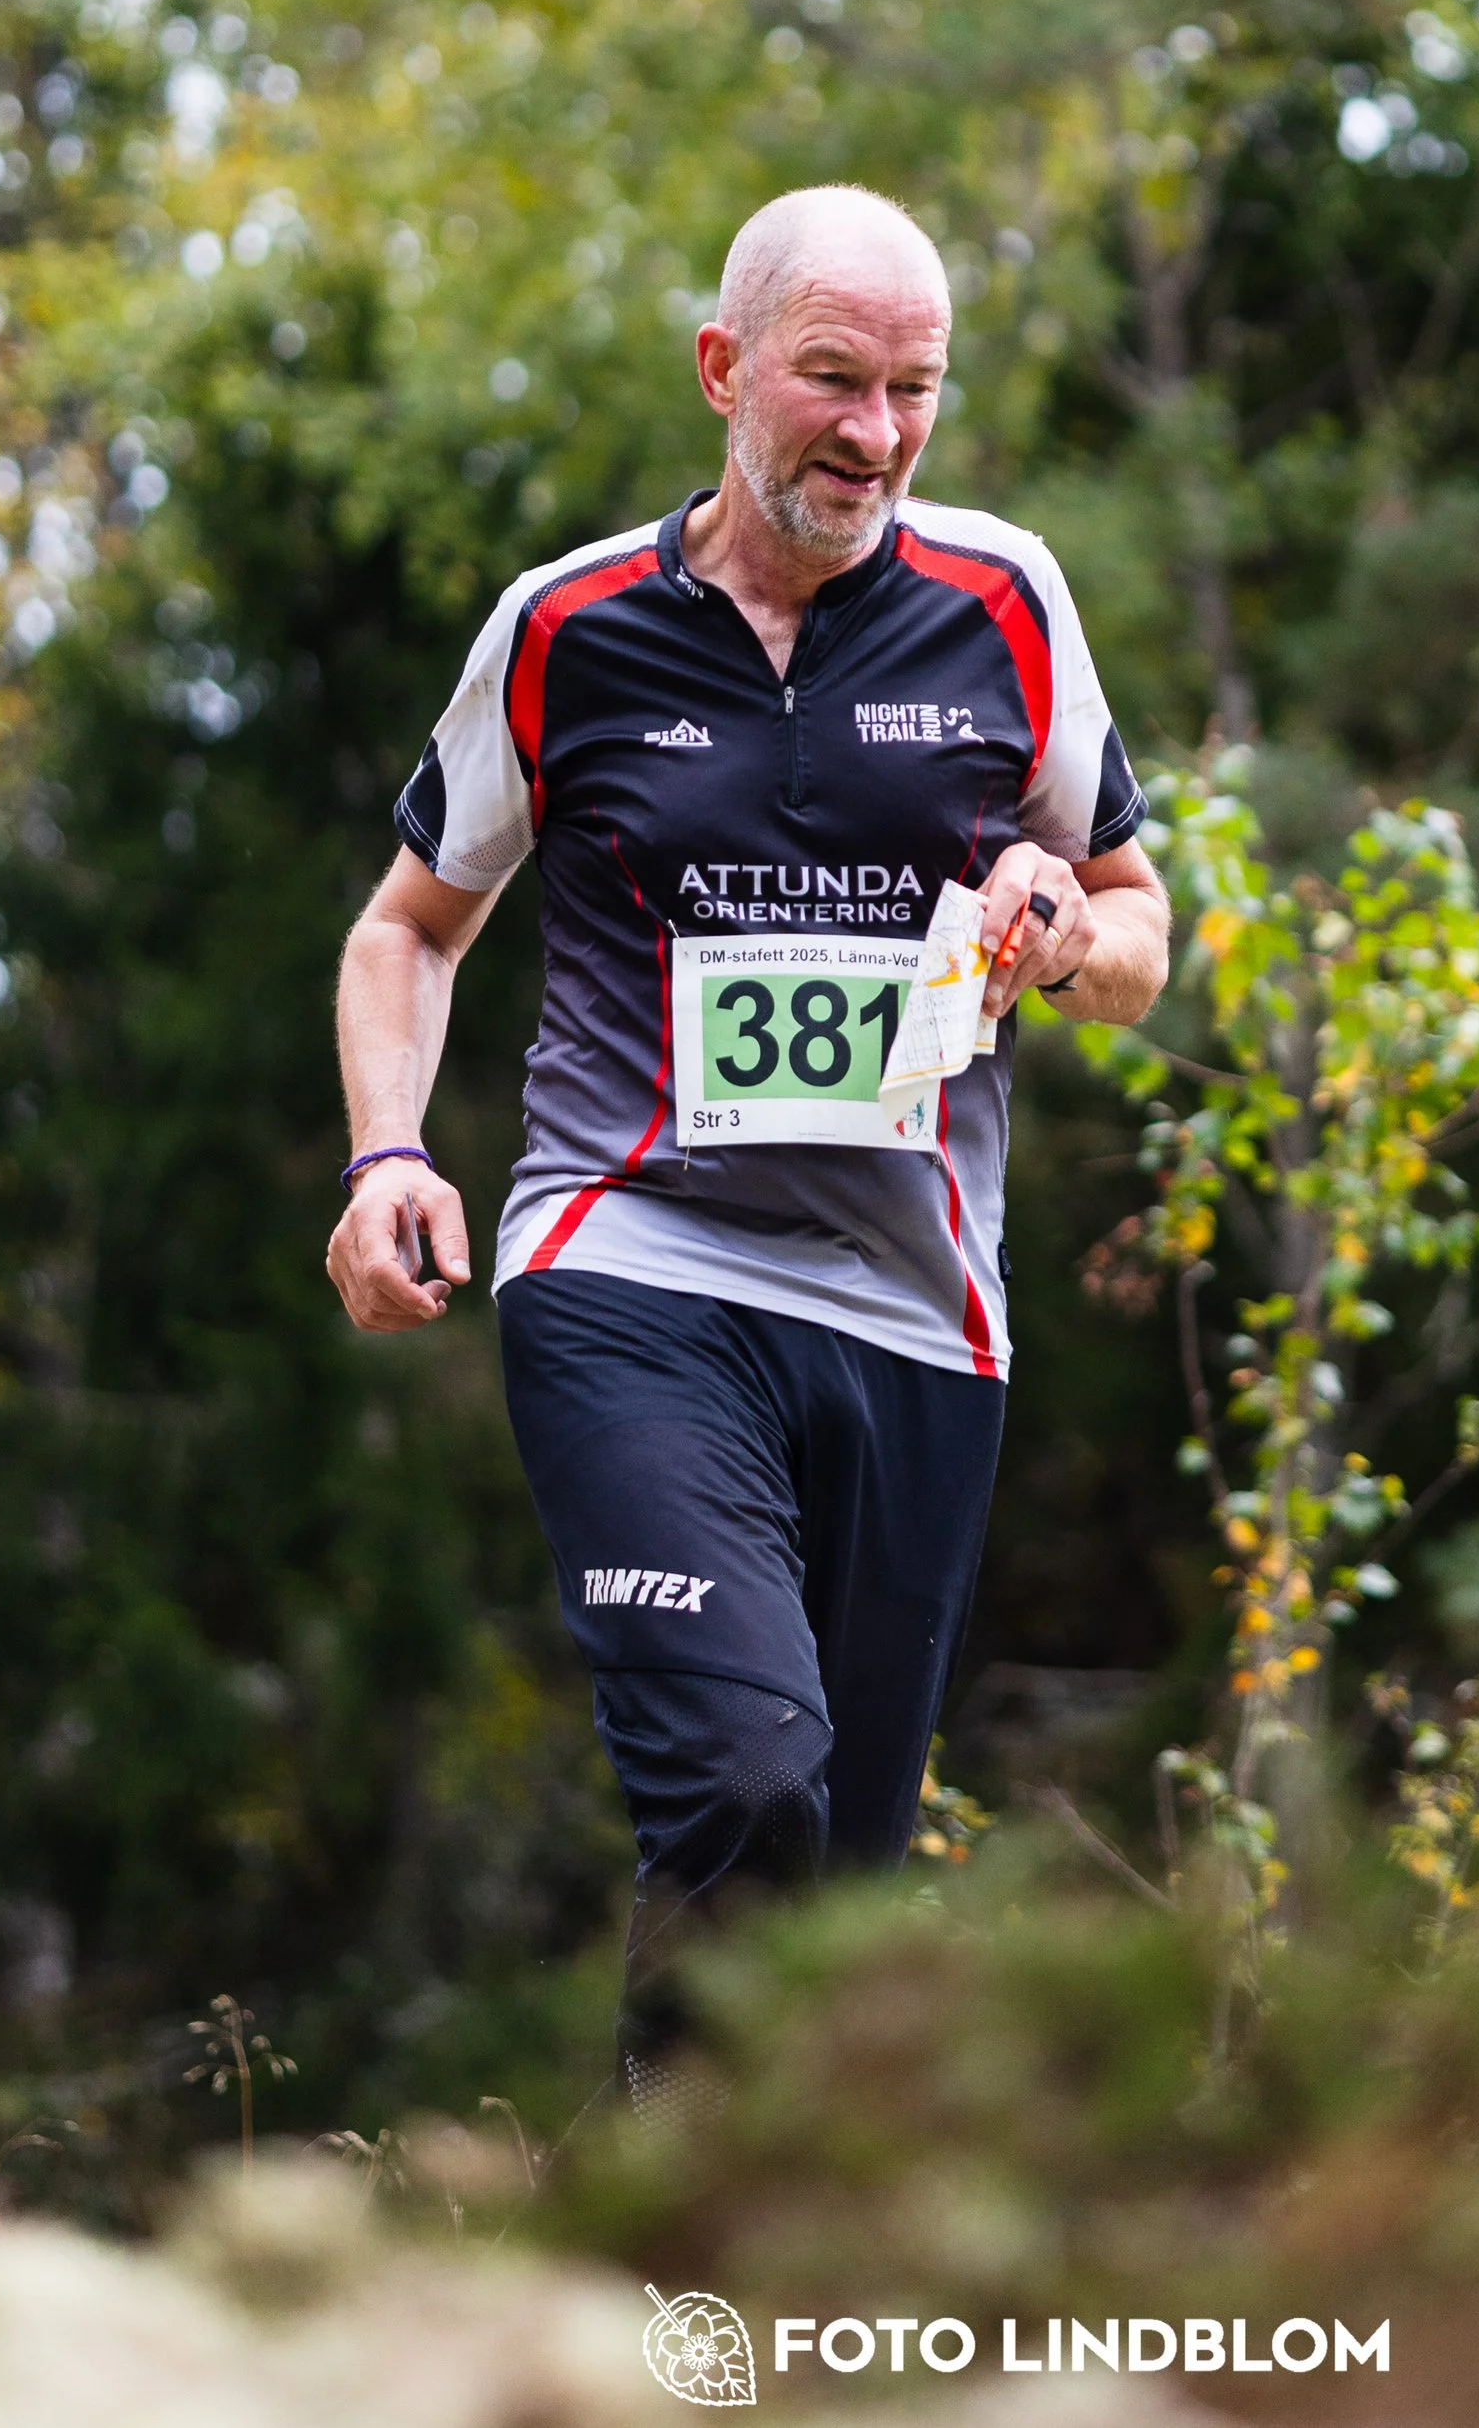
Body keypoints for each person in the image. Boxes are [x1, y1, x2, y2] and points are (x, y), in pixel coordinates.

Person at [325, 184, 1169, 2110]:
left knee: (836, 1912)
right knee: (746, 1778)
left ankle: (714, 2297)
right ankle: (658, 2294)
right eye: (832, 380)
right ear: (725, 370)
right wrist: (389, 1156)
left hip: (918, 1319)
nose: (873, 433)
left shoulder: (1009, 605)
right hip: (632, 1271)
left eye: (914, 390)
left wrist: (1066, 937)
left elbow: (1139, 930)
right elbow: (409, 924)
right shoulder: (567, 633)